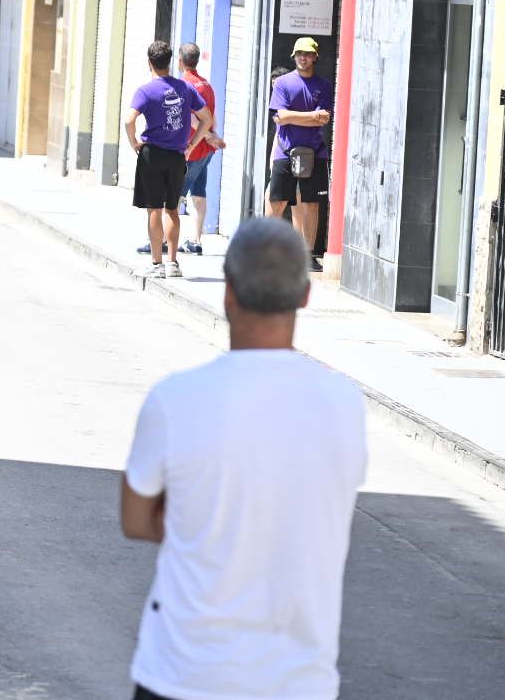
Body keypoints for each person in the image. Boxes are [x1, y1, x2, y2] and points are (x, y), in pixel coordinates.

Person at [122, 218, 365, 700]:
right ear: (305, 295)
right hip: (297, 681)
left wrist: (204, 517)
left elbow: (136, 519)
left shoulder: (176, 398)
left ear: (228, 292)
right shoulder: (343, 401)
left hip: (182, 673)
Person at [125, 40, 211, 280]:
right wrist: (191, 145)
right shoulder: (185, 88)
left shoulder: (145, 91)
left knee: (154, 209)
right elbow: (206, 119)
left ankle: (156, 263)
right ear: (171, 61)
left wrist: (133, 143)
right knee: (172, 208)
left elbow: (129, 120)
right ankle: (173, 262)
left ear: (149, 62)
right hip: (177, 155)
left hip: (152, 154)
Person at [268, 37, 332, 271]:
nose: (303, 57)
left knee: (312, 204)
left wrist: (292, 116)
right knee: (277, 202)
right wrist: (310, 118)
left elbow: (324, 118)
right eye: (299, 54)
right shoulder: (283, 83)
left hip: (315, 153)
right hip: (285, 151)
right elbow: (279, 117)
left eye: (307, 54)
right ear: (294, 56)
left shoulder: (323, 85)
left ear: (315, 56)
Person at [177, 43, 225, 255]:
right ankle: (196, 240)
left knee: (174, 196)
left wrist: (209, 137)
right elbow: (211, 115)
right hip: (206, 151)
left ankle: (164, 242)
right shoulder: (206, 85)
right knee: (198, 193)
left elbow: (192, 119)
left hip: (192, 149)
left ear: (180, 60)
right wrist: (213, 138)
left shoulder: (183, 85)